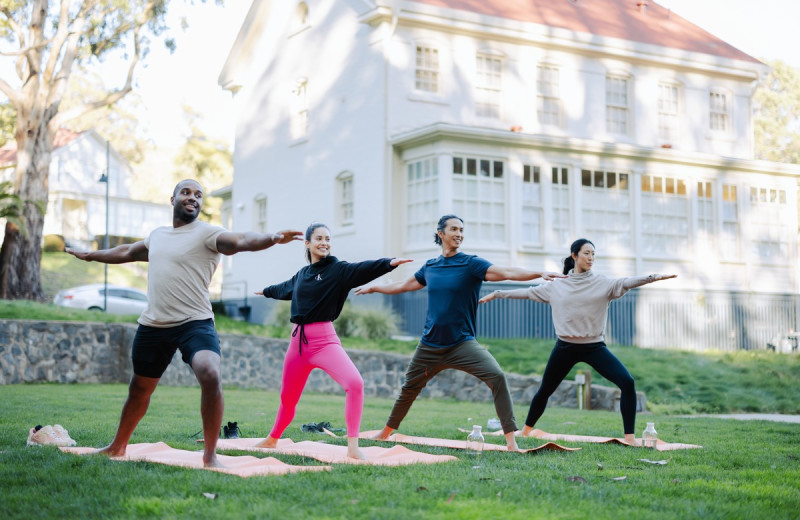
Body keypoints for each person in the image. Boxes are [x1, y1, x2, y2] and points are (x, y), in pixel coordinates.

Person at [66, 179, 302, 467]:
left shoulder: (208, 233)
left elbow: (241, 241)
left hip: (195, 322)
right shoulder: (158, 236)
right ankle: (118, 446)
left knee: (210, 372)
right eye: (186, 192)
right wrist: (91, 255)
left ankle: (210, 455)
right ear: (173, 199)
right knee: (139, 389)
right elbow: (127, 252)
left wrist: (272, 237)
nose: (193, 198)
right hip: (154, 324)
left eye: (198, 195)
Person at [354, 215, 564, 451]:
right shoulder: (430, 267)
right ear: (440, 233)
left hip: (462, 344)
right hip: (430, 346)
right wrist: (375, 287)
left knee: (497, 377)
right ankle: (385, 433)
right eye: (454, 229)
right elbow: (403, 285)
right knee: (409, 388)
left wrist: (537, 273)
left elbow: (505, 272)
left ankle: (511, 442)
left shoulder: (471, 264)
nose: (459, 233)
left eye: (462, 230)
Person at [478, 238, 677, 444]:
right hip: (565, 348)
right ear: (574, 256)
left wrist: (653, 277)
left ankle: (629, 438)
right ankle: (526, 431)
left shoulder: (603, 283)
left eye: (593, 254)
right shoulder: (557, 286)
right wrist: (498, 293)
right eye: (586, 253)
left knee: (627, 382)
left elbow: (626, 281)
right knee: (545, 390)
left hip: (594, 347)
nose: (591, 258)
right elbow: (527, 293)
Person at [254, 222, 412, 459]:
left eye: (327, 238)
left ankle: (353, 448)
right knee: (288, 399)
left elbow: (361, 269)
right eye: (319, 238)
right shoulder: (302, 275)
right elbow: (284, 288)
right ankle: (272, 439)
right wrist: (265, 291)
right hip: (297, 344)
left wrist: (387, 264)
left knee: (355, 383)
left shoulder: (338, 270)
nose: (324, 242)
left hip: (324, 342)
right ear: (308, 243)